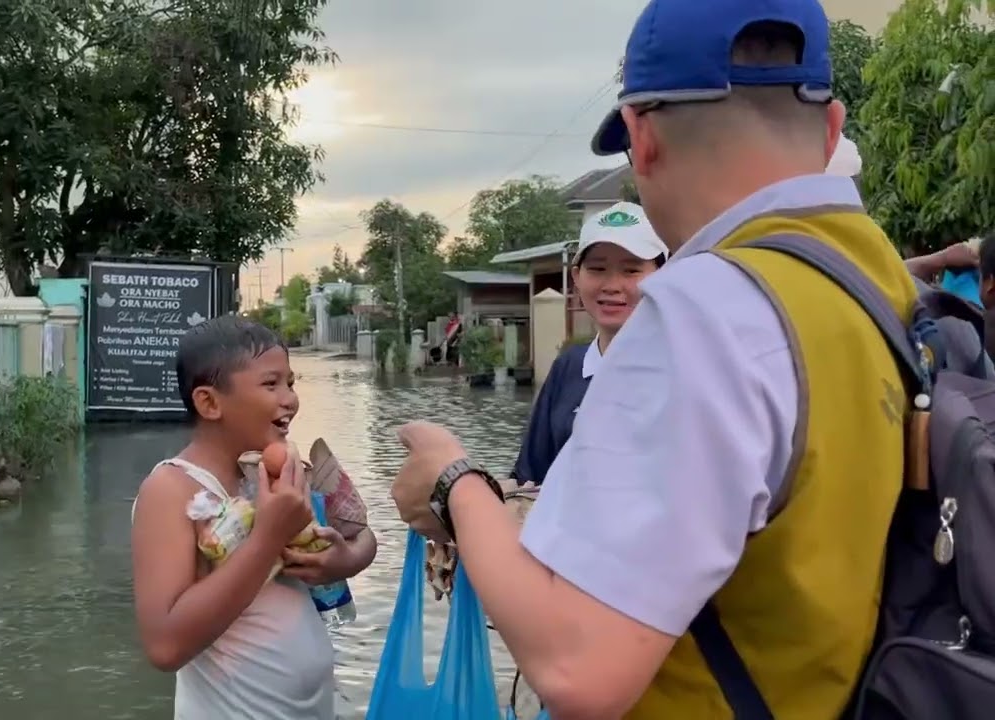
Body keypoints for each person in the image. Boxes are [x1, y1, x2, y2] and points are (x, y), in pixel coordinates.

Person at [389, 0, 919, 717]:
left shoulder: (704, 310)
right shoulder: (880, 284)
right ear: (831, 128)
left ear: (640, 138)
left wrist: (453, 480)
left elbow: (578, 668)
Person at [131, 316, 377, 719]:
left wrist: (345, 561)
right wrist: (268, 538)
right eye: (271, 384)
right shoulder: (172, 490)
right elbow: (165, 647)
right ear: (210, 403)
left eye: (291, 383)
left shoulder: (282, 469)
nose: (290, 399)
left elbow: (359, 532)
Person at [510, 201, 668, 486]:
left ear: (664, 275)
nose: (612, 286)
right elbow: (528, 480)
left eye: (631, 271)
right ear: (576, 277)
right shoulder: (568, 368)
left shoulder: (686, 368)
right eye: (597, 269)